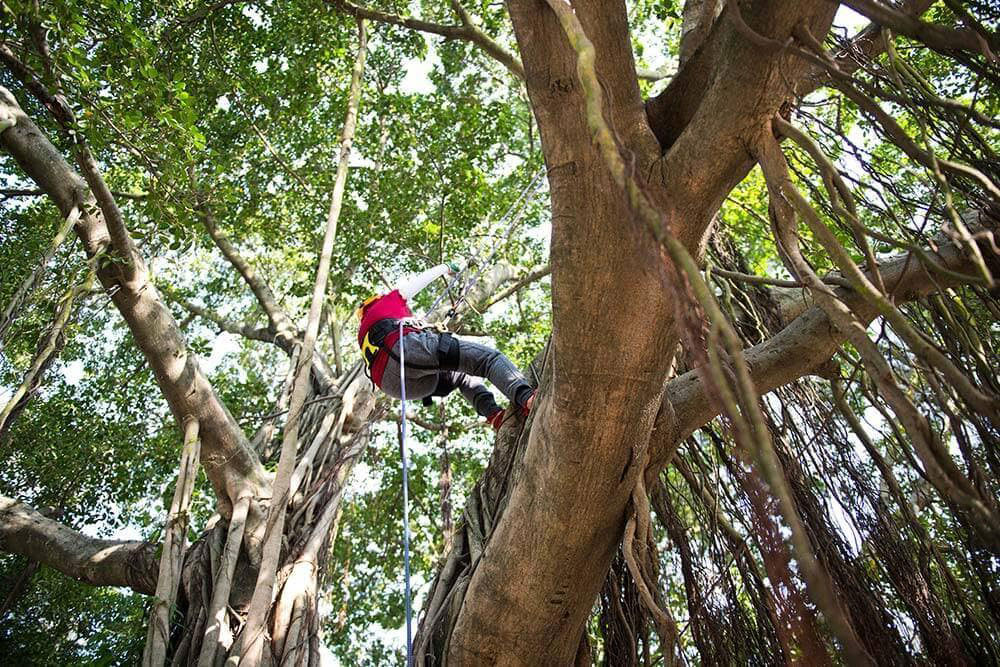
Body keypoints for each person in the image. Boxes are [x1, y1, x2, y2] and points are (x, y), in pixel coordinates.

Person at [356, 263, 535, 429]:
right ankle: (527, 398)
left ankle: (494, 415)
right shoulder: (384, 303)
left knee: (460, 374)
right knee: (488, 359)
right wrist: (445, 267)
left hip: (393, 386)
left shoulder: (363, 334)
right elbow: (417, 283)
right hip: (404, 351)